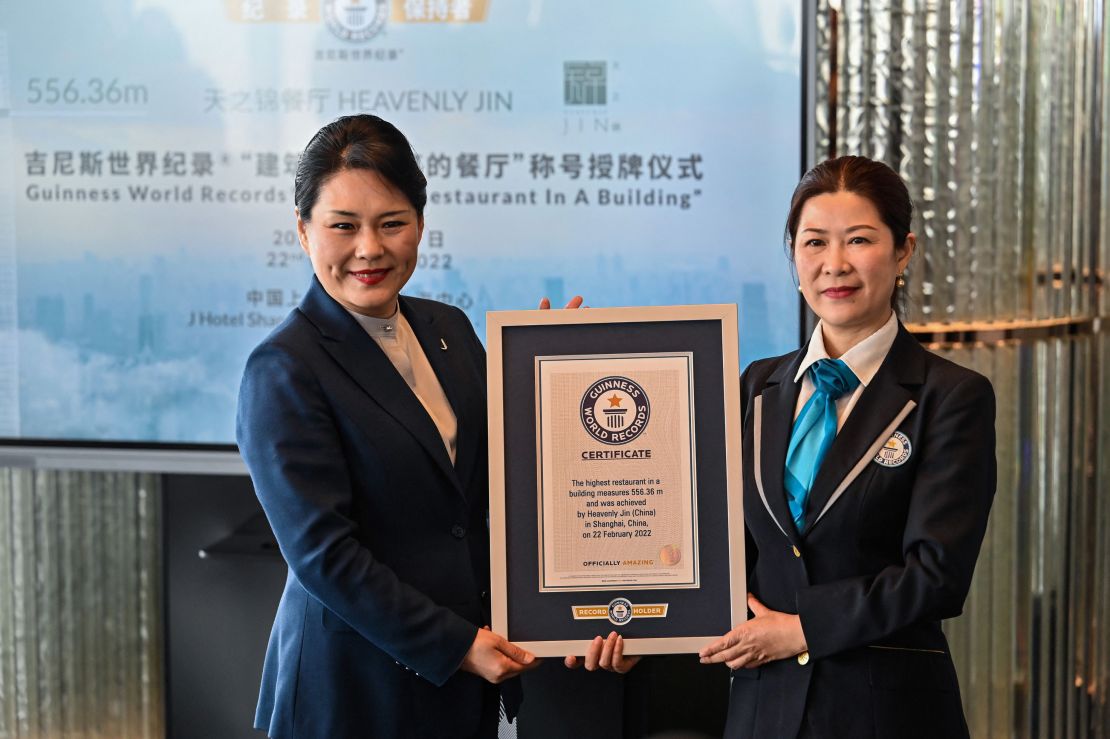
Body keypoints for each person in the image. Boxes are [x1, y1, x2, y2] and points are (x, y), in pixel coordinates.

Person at [237, 114, 545, 739]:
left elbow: (492, 480)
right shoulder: (284, 367)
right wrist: (455, 644)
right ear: (303, 232)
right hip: (355, 688)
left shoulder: (447, 329)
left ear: (420, 226)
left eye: (392, 223)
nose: (370, 249)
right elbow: (326, 556)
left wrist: (554, 371)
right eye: (343, 227)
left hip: (459, 683)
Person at [696, 155, 997, 737]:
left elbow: (936, 575)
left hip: (886, 710)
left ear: (903, 250)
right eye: (814, 243)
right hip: (764, 711)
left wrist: (803, 628)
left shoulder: (950, 396)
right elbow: (717, 546)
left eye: (859, 240)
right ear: (794, 257)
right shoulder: (756, 387)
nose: (835, 264)